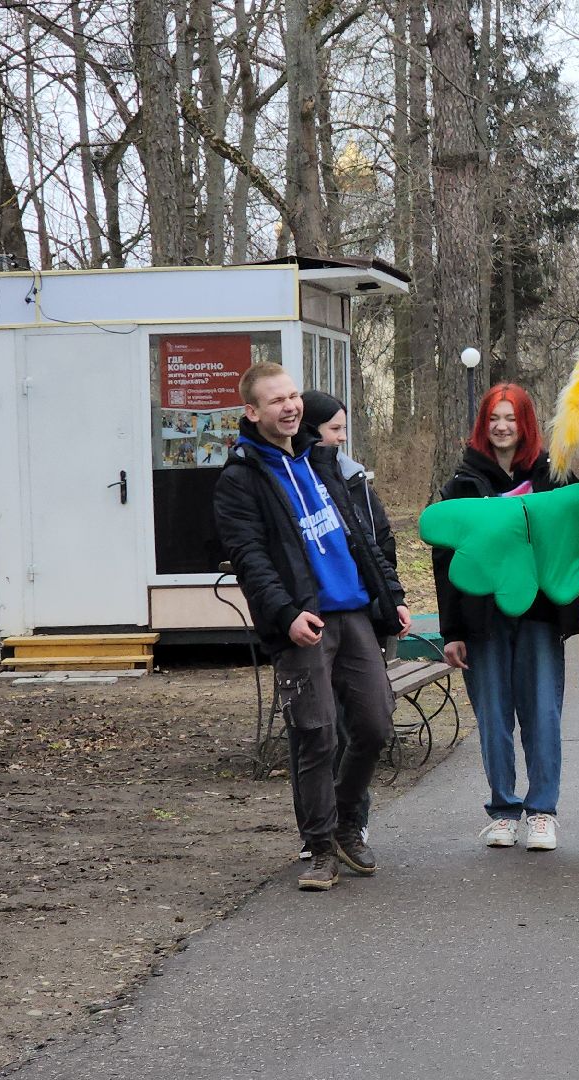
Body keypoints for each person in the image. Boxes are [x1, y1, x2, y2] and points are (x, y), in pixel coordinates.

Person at [215, 363, 412, 891]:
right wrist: (285, 614)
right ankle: (320, 848)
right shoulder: (241, 480)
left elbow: (361, 538)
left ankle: (348, 823)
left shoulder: (322, 461)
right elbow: (250, 559)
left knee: (374, 725)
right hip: (304, 621)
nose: (289, 406)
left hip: (354, 616)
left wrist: (391, 595)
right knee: (316, 734)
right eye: (275, 400)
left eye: (293, 396)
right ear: (252, 412)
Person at [431, 383, 579, 851]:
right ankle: (503, 809)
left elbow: (577, 537)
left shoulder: (553, 477)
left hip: (538, 616)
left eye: (511, 419)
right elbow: (445, 564)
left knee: (541, 714)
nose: (502, 427)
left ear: (526, 424)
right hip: (481, 622)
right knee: (493, 716)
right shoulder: (461, 485)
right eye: (494, 418)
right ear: (482, 425)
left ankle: (542, 812)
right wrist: (452, 631)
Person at [300, 391, 400, 582]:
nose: (343, 437)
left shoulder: (352, 475)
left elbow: (380, 534)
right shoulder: (293, 479)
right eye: (335, 429)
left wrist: (386, 586)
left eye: (344, 428)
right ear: (309, 430)